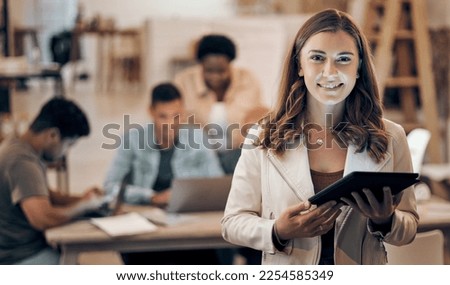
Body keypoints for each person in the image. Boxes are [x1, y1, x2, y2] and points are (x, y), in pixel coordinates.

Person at [221, 9, 419, 265]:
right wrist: (278, 230)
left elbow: (410, 225)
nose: (330, 71)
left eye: (344, 59)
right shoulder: (263, 136)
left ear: (358, 68)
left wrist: (386, 220)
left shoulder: (391, 136)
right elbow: (232, 223)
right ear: (299, 65)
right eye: (317, 58)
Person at [103, 82, 227, 264]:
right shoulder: (132, 139)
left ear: (183, 113)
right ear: (151, 112)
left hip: (189, 225)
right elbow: (109, 187)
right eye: (163, 116)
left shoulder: (198, 138)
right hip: (146, 225)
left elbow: (218, 183)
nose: (170, 124)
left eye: (176, 117)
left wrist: (188, 197)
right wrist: (151, 197)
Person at [0, 97, 104, 265]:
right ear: (53, 135)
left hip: (23, 250)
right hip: (18, 258)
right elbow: (43, 219)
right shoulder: (22, 162)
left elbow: (43, 194)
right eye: (69, 144)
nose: (65, 153)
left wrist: (85, 199)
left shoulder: (20, 146)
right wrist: (83, 206)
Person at [174, 34, 266, 175]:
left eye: (221, 71)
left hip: (239, 154)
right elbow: (176, 121)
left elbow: (260, 115)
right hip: (199, 156)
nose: (215, 77)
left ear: (230, 64)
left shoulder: (247, 80)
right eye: (209, 71)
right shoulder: (184, 82)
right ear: (201, 65)